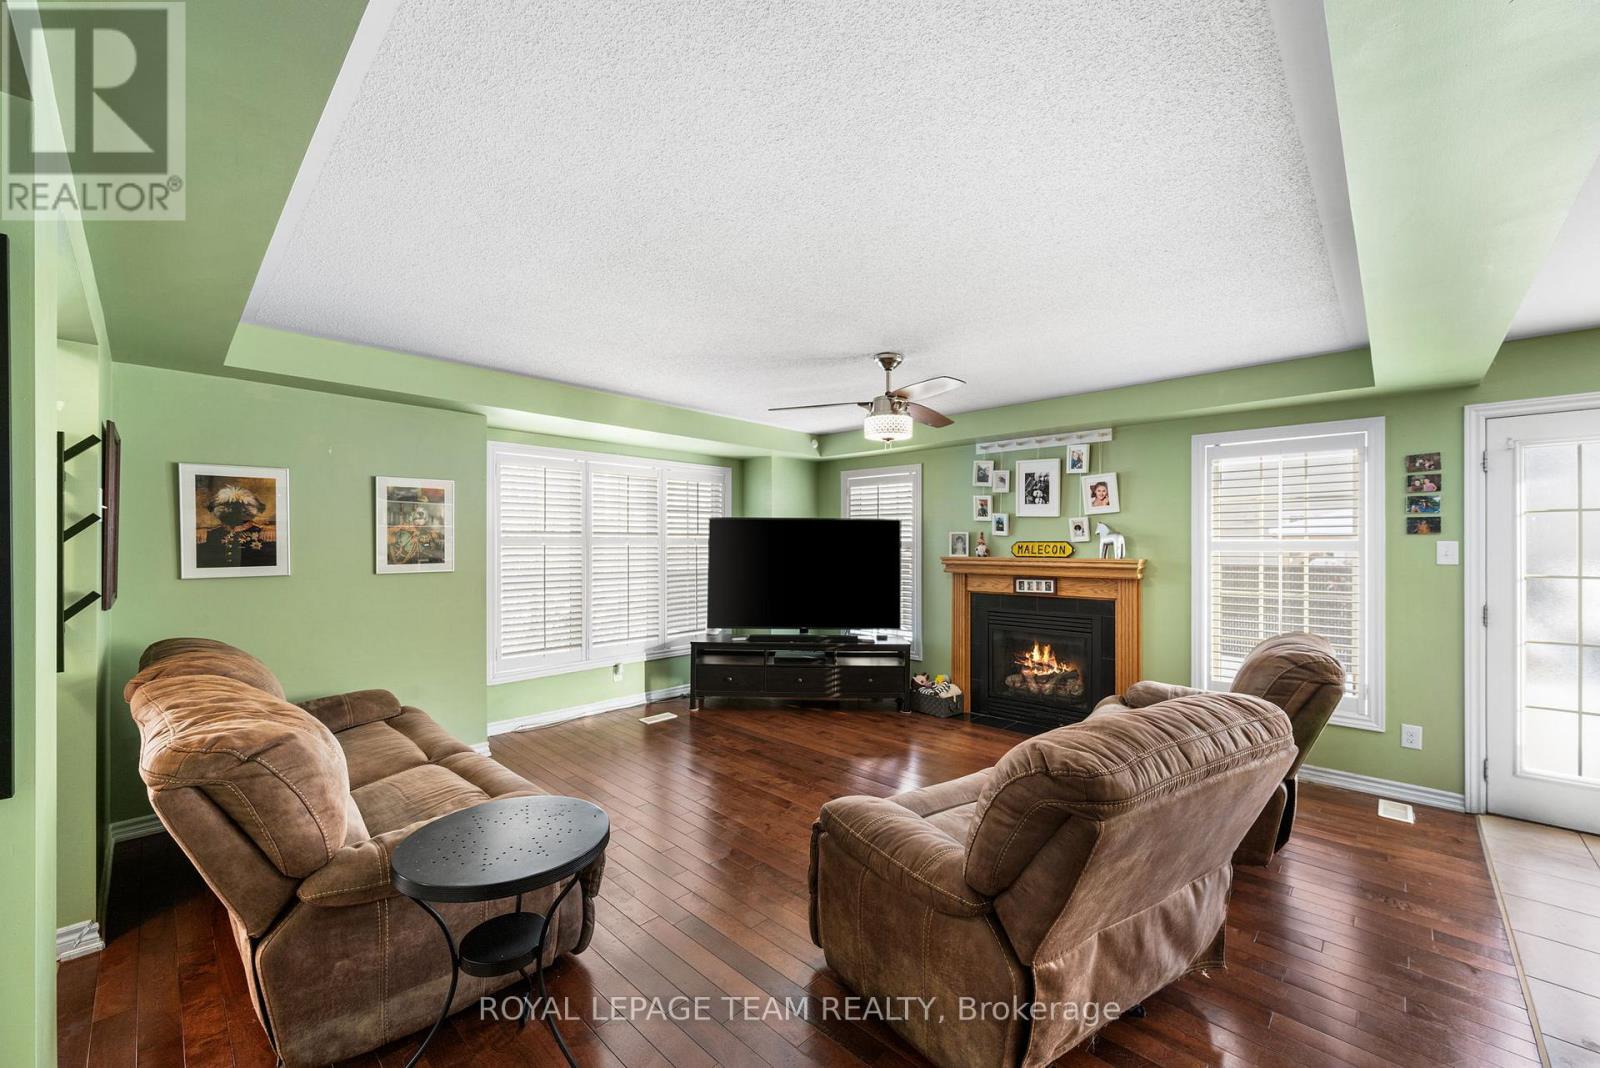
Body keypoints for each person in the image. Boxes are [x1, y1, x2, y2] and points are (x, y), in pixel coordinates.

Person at [197, 484, 276, 568]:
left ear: (258, 508)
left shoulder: (267, 533)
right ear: (213, 507)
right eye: (226, 504)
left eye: (245, 504)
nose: (235, 508)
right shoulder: (206, 534)